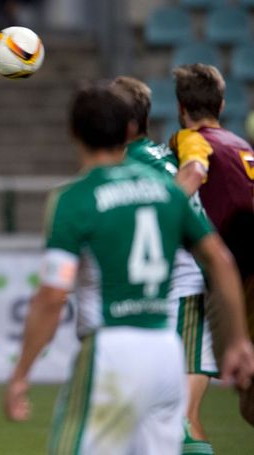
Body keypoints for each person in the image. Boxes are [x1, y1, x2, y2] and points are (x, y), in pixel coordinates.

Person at [3, 83, 254, 454]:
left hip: (111, 350)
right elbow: (220, 260)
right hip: (166, 352)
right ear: (127, 131)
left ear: (73, 133)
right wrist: (237, 340)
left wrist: (21, 373)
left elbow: (54, 296)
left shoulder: (75, 198)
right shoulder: (165, 190)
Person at [111, 75, 217, 454]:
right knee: (166, 419)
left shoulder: (138, 167)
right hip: (180, 291)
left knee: (179, 420)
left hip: (184, 293)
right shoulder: (160, 155)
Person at [170, 64, 254, 427]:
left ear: (179, 108)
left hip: (240, 278)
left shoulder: (190, 137)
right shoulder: (242, 146)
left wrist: (155, 211)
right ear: (221, 105)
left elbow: (194, 169)